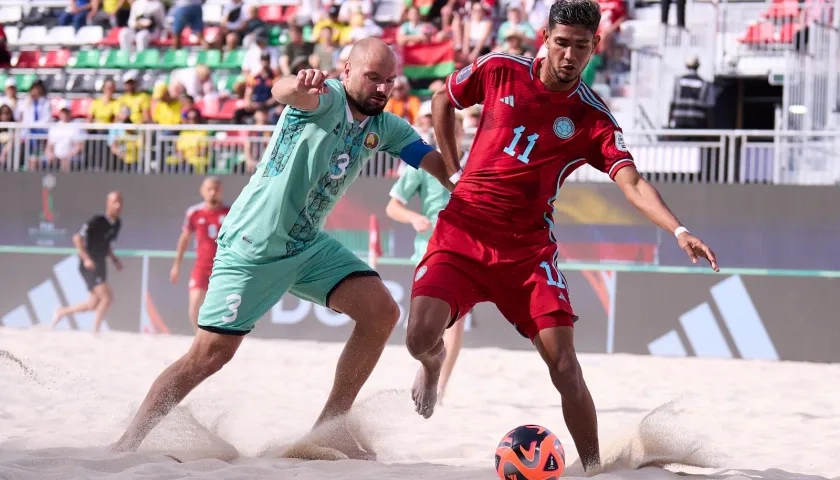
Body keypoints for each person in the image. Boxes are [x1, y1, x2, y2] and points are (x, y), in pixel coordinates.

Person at [404, 0, 719, 472]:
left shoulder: (592, 118)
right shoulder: (499, 70)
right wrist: (452, 169)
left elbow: (631, 182)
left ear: (595, 47)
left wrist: (677, 228)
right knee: (418, 338)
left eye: (581, 46)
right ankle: (433, 367)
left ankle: (592, 467)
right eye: (562, 43)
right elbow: (443, 99)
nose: (570, 55)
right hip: (463, 230)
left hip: (527, 253)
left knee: (565, 366)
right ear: (545, 39)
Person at [111, 38, 459, 459]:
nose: (382, 89)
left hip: (307, 244)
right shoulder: (324, 97)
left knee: (381, 311)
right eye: (372, 77)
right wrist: (297, 81)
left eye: (389, 80)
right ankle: (126, 445)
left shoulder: (384, 126)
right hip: (253, 246)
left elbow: (428, 158)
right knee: (208, 355)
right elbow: (283, 91)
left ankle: (329, 428)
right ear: (344, 70)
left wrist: (463, 184)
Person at [385, 111, 470, 405]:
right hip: (429, 249)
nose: (445, 130)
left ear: (460, 130)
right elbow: (392, 207)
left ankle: (441, 386)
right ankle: (428, 367)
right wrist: (414, 218)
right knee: (427, 323)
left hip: (464, 252)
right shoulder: (422, 164)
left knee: (455, 323)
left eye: (452, 126)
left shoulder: (475, 164)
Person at [52, 191, 124, 333]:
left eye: (120, 202)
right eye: (115, 202)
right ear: (107, 204)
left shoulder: (117, 224)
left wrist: (115, 260)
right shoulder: (97, 221)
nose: (118, 205)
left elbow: (106, 244)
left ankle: (61, 312)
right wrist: (86, 259)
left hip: (101, 265)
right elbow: (77, 238)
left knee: (92, 304)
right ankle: (95, 332)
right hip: (90, 265)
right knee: (107, 298)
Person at [170, 177, 231, 332]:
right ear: (202, 191)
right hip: (202, 265)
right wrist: (176, 266)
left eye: (216, 189)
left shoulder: (230, 212)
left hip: (224, 266)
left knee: (224, 306)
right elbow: (184, 239)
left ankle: (217, 336)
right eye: (209, 189)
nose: (212, 193)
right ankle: (199, 336)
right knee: (195, 303)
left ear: (221, 191)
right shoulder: (194, 213)